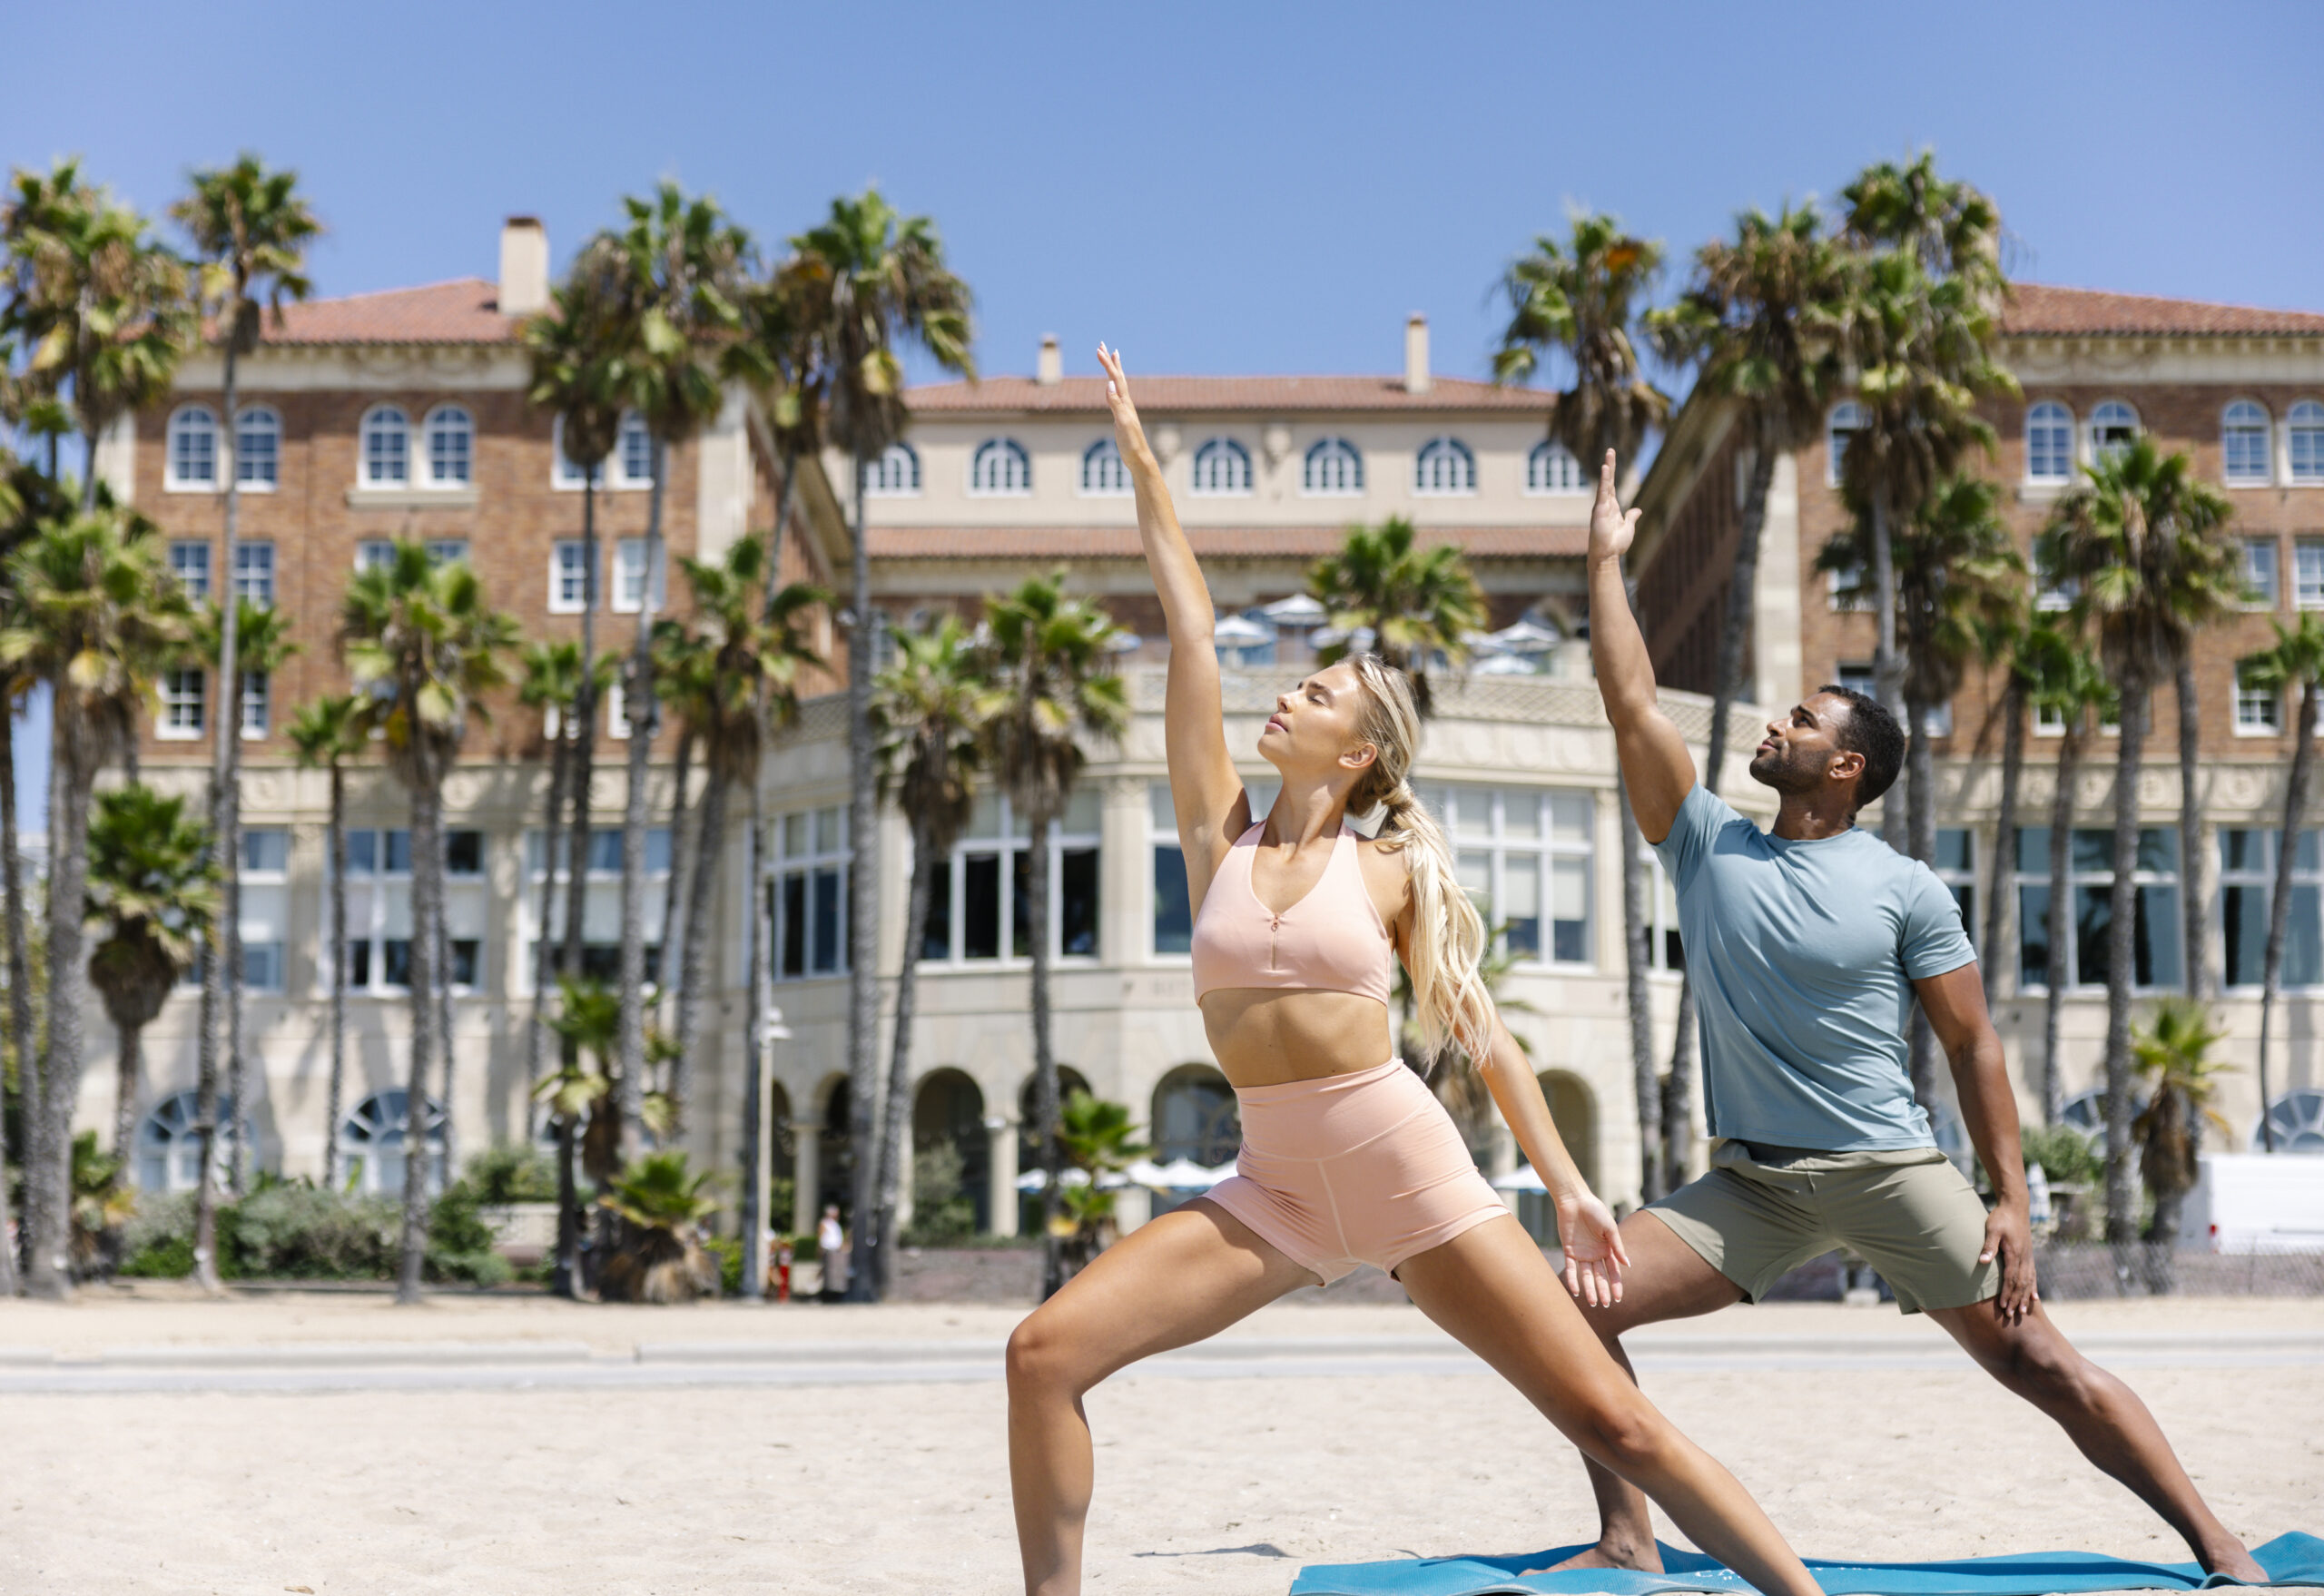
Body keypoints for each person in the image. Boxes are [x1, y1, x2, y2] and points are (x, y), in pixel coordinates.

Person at [1003, 346, 1830, 1596]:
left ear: (1359, 751)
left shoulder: (1389, 869)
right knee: (1042, 1353)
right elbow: (1190, 624)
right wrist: (1139, 460)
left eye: (1315, 691)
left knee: (1616, 1423)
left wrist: (1570, 1190)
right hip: (1273, 1190)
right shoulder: (1217, 837)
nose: (1286, 696)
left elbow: (1480, 1033)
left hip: (1408, 1174)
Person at [1564, 448, 2266, 1581]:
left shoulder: (1906, 888)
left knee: (2040, 1365)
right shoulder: (1703, 843)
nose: (1775, 726)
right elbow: (1629, 698)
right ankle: (1627, 1539)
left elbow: (1972, 1043)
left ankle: (2217, 1542)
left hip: (1887, 1169)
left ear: (1843, 766)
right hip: (1750, 1186)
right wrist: (1604, 561)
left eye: (1799, 721)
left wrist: (2011, 1198)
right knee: (1573, 1306)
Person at [815, 1204, 848, 1305]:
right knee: (827, 1271)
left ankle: (833, 1292)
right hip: (828, 1250)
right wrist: (820, 1248)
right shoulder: (825, 1223)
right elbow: (821, 1237)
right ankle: (825, 1292)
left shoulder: (835, 1224)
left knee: (834, 1272)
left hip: (836, 1251)